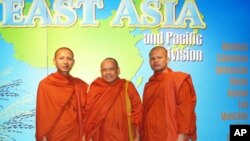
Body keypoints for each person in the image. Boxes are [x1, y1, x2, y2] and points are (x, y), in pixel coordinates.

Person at [142, 46, 197, 141]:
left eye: (159, 57)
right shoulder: (149, 85)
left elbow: (185, 110)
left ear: (167, 60)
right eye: (152, 58)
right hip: (149, 135)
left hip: (171, 135)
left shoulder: (178, 80)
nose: (156, 61)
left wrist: (182, 135)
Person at [83, 58, 142, 141]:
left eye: (111, 69)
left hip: (123, 134)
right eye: (104, 70)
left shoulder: (127, 86)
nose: (108, 73)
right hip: (100, 135)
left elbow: (138, 111)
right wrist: (87, 135)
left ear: (118, 70)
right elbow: (88, 113)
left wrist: (138, 135)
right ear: (101, 72)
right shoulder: (96, 87)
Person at [36, 47, 88, 141]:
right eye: (61, 58)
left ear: (73, 62)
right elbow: (42, 115)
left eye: (69, 58)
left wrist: (85, 135)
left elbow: (87, 113)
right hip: (54, 135)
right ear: (54, 61)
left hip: (75, 135)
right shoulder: (46, 84)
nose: (65, 62)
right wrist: (43, 137)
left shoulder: (81, 85)